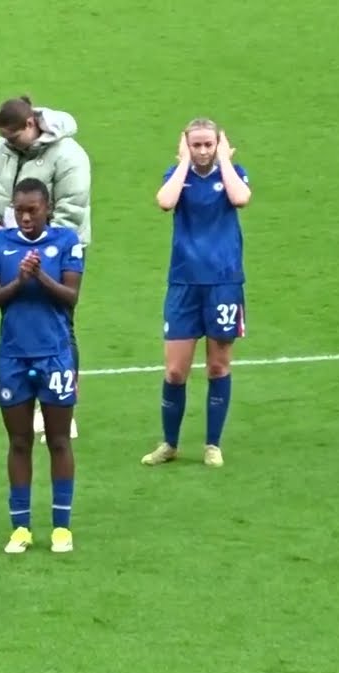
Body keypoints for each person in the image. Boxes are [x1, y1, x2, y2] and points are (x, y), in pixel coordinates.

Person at [0, 95, 90, 441]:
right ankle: (26, 394)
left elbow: (71, 210)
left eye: (12, 137)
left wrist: (37, 246)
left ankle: (62, 401)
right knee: (16, 316)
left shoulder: (69, 156)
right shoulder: (3, 149)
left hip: (56, 250)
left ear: (30, 125)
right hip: (8, 249)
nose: (6, 144)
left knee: (59, 321)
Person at [0, 178, 83, 555]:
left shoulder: (67, 242)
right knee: (19, 442)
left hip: (55, 354)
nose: (25, 217)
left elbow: (71, 298)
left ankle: (61, 528)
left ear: (47, 208)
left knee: (58, 440)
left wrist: (39, 275)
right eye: (19, 210)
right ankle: (20, 527)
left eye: (32, 210)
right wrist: (20, 280)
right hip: (12, 356)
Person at [140, 118, 251, 469]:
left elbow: (241, 197)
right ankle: (170, 443)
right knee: (175, 371)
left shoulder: (233, 173)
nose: (203, 151)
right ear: (186, 146)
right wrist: (184, 163)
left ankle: (212, 444)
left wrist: (226, 160)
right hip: (184, 283)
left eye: (208, 145)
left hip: (224, 283)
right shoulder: (177, 176)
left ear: (218, 144)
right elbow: (164, 201)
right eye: (196, 145)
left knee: (218, 365)